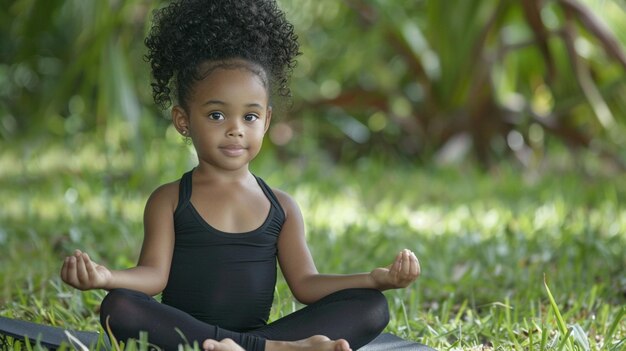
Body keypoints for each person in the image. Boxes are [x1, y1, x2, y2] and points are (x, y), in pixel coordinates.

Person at [60, 0, 420, 350]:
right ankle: (274, 349)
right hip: (188, 330)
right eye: (217, 115)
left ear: (265, 120)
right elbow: (153, 277)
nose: (235, 130)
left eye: (249, 116)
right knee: (119, 306)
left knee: (371, 306)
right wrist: (107, 278)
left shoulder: (282, 207)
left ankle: (246, 347)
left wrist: (376, 279)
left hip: (217, 340)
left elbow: (306, 285)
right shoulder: (169, 200)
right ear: (183, 121)